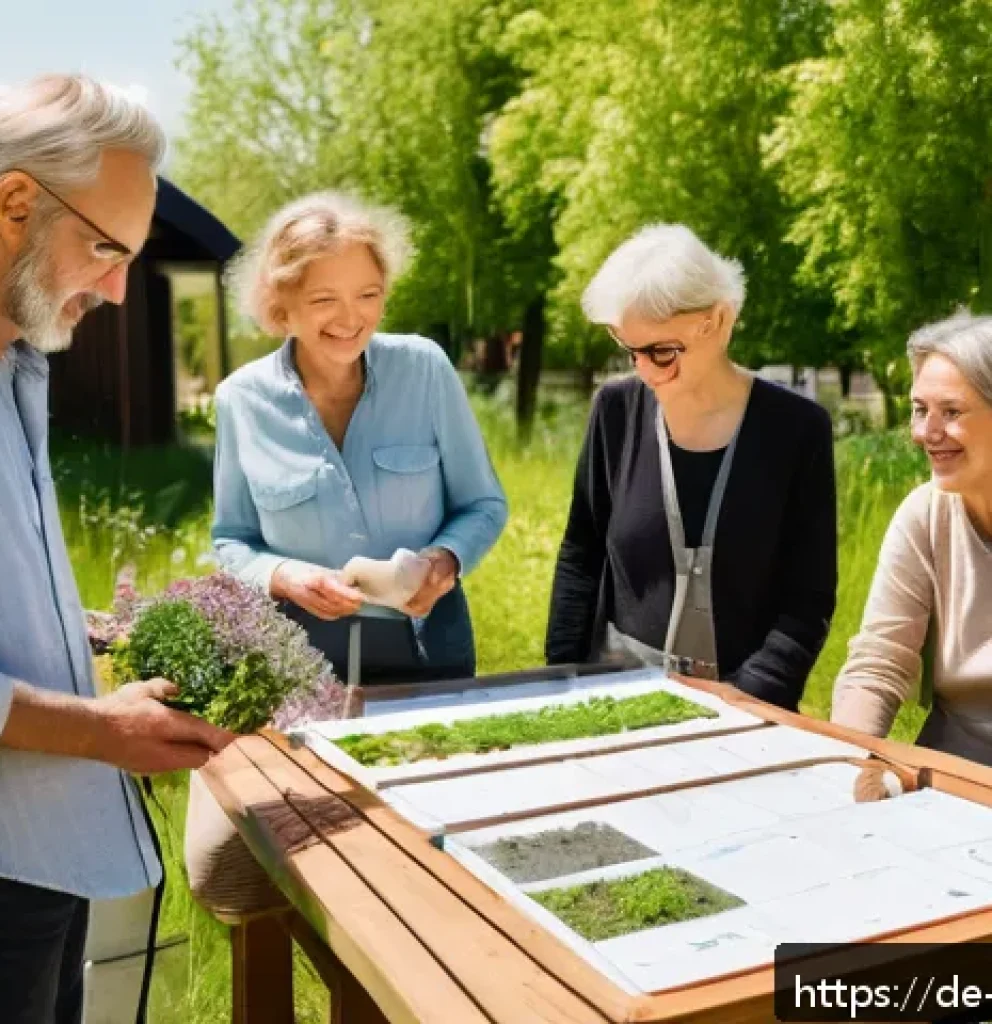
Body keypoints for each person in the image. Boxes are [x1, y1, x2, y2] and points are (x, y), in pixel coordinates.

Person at [0, 74, 234, 1024]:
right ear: (14, 204)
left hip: (37, 856)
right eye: (106, 248)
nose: (120, 289)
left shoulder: (9, 365)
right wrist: (99, 728)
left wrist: (62, 626)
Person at [211, 192, 507, 685]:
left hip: (430, 652)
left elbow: (483, 504)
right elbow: (233, 541)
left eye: (367, 295)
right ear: (281, 306)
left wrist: (445, 560)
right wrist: (286, 577)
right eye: (325, 299)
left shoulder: (425, 369)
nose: (351, 320)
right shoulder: (241, 399)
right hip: (298, 664)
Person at [545, 224, 838, 711]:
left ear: (718, 321)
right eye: (630, 350)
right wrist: (560, 681)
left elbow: (807, 598)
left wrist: (748, 698)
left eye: (662, 351)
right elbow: (581, 554)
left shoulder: (797, 429)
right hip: (617, 700)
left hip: (748, 710)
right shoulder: (615, 411)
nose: (643, 370)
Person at [831, 310, 992, 764]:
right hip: (947, 778)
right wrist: (848, 764)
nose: (925, 433)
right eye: (921, 410)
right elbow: (879, 664)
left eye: (951, 412)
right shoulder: (924, 513)